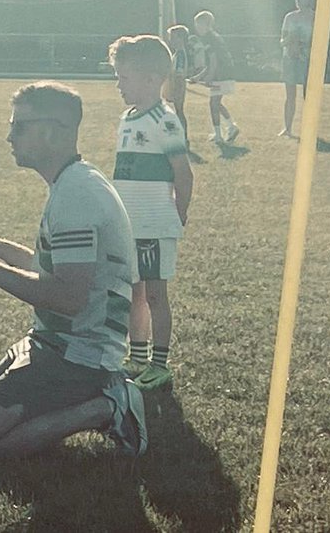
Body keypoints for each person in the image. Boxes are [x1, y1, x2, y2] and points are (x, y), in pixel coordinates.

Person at [0, 81, 147, 459]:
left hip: (79, 355)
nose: (9, 137)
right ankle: (83, 392)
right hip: (55, 341)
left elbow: (68, 298)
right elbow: (57, 270)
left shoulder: (76, 195)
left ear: (53, 131)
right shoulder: (74, 181)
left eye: (19, 127)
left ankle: (109, 405)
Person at [108, 35, 193, 391]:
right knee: (134, 293)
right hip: (130, 225)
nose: (118, 84)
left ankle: (160, 364)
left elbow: (183, 173)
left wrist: (178, 215)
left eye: (124, 77)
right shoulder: (127, 118)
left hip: (154, 224)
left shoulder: (165, 120)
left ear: (151, 79)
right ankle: (138, 356)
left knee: (156, 295)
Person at [192, 10, 240, 145]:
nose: (196, 27)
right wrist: (198, 77)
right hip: (223, 74)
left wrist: (209, 77)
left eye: (198, 24)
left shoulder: (209, 38)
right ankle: (229, 127)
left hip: (222, 75)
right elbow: (211, 63)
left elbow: (214, 61)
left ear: (206, 24)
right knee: (216, 103)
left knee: (214, 103)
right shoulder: (212, 37)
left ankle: (222, 133)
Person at [280, 0, 315, 138]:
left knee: (309, 95)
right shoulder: (289, 17)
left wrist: (302, 45)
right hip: (290, 59)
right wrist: (290, 41)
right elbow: (282, 40)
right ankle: (287, 128)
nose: (298, 0)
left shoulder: (315, 17)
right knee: (290, 95)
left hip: (307, 59)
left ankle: (309, 128)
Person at [163, 24, 192, 142]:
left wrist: (175, 88)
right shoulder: (177, 53)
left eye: (173, 37)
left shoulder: (180, 54)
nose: (171, 40)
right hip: (175, 83)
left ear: (180, 38)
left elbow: (179, 73)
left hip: (177, 84)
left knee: (179, 111)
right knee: (177, 110)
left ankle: (183, 136)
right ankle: (180, 134)